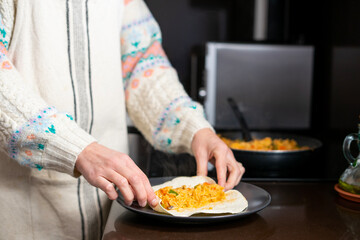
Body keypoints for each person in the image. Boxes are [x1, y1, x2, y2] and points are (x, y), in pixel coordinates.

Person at [0, 0, 245, 239]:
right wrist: (77, 149)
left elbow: (142, 65)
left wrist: (195, 128)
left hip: (113, 208)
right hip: (27, 212)